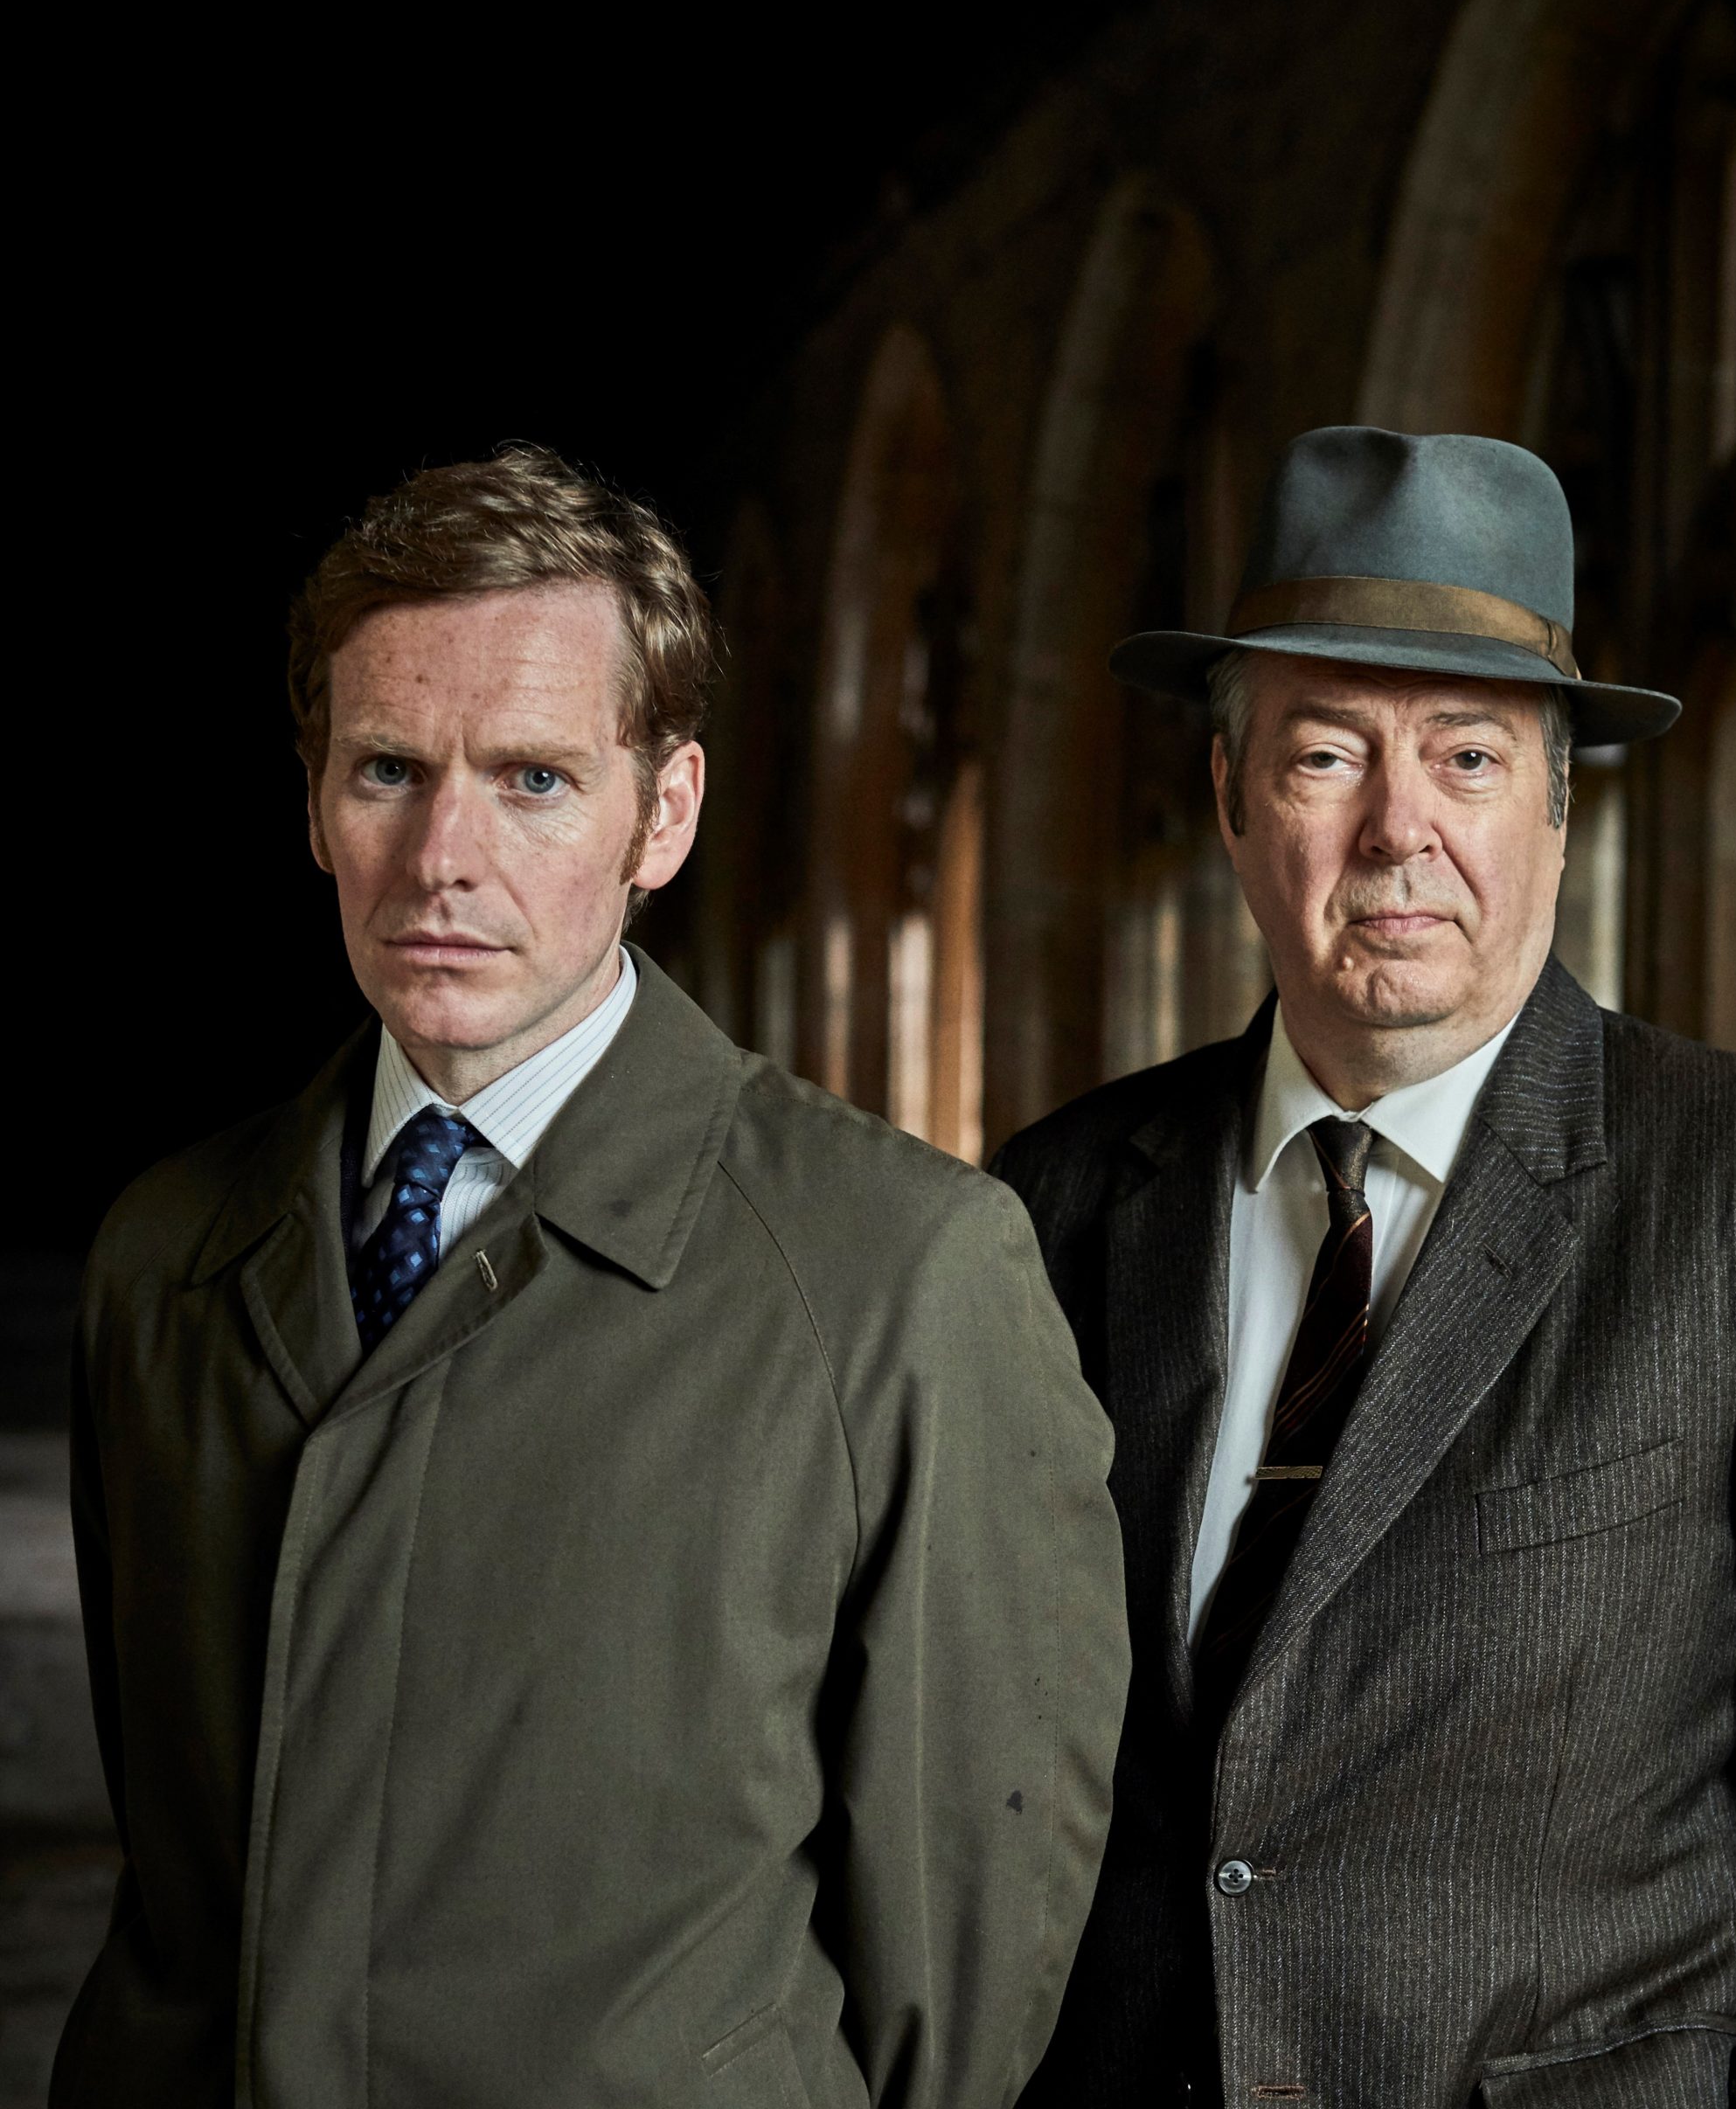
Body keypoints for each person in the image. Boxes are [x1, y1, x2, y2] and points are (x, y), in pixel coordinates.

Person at [57, 446, 1129, 2107]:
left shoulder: (904, 1275)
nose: (442, 856)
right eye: (388, 769)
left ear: (664, 813)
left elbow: (965, 1969)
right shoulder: (162, 1256)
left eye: (535, 780)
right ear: (315, 802)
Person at [996, 427, 1736, 2106]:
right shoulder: (1057, 1200)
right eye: (1326, 755)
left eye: (1467, 758)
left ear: (1557, 811)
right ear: (1229, 797)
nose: (1400, 830)